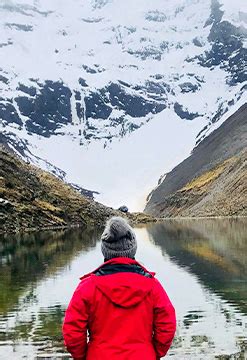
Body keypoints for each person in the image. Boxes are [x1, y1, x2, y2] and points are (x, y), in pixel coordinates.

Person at [63, 217, 176, 360]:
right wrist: (154, 353)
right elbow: (167, 326)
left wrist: (83, 356)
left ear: (105, 251)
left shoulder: (87, 287)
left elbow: (72, 332)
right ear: (132, 248)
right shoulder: (153, 286)